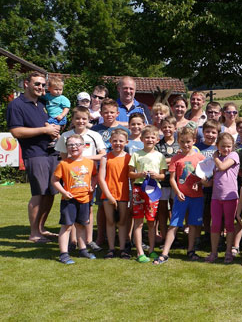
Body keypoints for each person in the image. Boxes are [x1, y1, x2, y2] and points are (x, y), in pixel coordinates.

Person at [7, 72, 61, 243]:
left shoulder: (44, 103)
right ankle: (34, 233)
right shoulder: (16, 105)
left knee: (51, 192)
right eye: (37, 84)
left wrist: (54, 131)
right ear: (26, 84)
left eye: (43, 85)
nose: (41, 88)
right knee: (39, 193)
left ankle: (41, 228)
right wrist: (45, 130)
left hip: (52, 152)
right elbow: (16, 131)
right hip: (35, 154)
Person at [55, 107, 106, 251]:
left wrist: (84, 159)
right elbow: (64, 157)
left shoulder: (94, 135)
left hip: (89, 177)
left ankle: (88, 240)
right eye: (77, 118)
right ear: (72, 119)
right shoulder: (66, 135)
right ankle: (73, 241)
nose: (81, 121)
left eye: (84, 118)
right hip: (72, 178)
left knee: (87, 209)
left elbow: (103, 154)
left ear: (89, 119)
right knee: (71, 209)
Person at [153, 127, 206, 265]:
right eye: (182, 142)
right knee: (174, 224)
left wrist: (200, 183)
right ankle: (165, 253)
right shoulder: (176, 158)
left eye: (188, 141)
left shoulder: (200, 158)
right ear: (178, 141)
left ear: (194, 141)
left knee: (194, 224)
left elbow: (206, 177)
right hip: (181, 196)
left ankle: (191, 251)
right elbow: (172, 179)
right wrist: (177, 192)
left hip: (197, 197)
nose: (185, 144)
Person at [51, 134, 98, 264]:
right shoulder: (63, 164)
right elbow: (54, 180)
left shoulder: (90, 163)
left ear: (84, 146)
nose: (74, 147)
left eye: (77, 144)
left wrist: (92, 185)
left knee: (81, 225)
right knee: (66, 226)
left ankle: (82, 249)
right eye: (70, 145)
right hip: (69, 200)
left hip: (85, 199)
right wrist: (64, 192)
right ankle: (64, 253)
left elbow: (95, 176)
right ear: (66, 147)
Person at [128, 125, 167, 263]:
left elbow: (163, 176)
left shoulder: (160, 156)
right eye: (147, 137)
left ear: (157, 139)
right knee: (138, 221)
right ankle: (140, 251)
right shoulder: (136, 154)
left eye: (152, 137)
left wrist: (156, 175)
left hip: (153, 190)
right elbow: (130, 173)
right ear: (142, 138)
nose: (149, 140)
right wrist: (140, 174)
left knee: (151, 221)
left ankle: (151, 250)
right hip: (139, 189)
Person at [205, 132, 240, 264]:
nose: (226, 149)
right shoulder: (217, 159)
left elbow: (222, 167)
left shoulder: (233, 155)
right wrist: (203, 182)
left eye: (228, 146)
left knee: (229, 225)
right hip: (216, 196)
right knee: (215, 225)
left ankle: (228, 252)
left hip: (230, 196)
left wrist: (214, 157)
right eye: (223, 146)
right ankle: (214, 253)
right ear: (217, 146)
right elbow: (213, 178)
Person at [98, 129, 131, 259]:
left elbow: (131, 178)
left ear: (126, 142)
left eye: (121, 141)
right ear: (110, 141)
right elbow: (101, 178)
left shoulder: (129, 158)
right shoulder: (105, 158)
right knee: (110, 222)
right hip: (108, 195)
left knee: (122, 222)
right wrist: (109, 196)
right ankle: (111, 249)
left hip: (123, 194)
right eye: (115, 141)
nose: (118, 143)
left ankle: (123, 248)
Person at [155, 117, 180, 241]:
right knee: (162, 211)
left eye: (170, 127)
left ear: (175, 128)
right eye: (164, 127)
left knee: (175, 211)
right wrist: (175, 158)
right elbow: (157, 160)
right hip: (162, 182)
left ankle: (174, 238)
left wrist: (168, 160)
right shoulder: (158, 145)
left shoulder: (180, 143)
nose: (167, 129)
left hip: (177, 183)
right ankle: (164, 237)